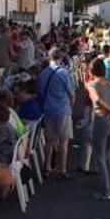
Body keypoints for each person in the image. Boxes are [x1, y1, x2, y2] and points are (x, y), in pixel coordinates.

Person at [37, 48, 75, 180]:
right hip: (62, 109)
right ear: (60, 58)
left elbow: (41, 92)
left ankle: (47, 167)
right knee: (64, 142)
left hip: (48, 110)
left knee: (49, 141)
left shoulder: (43, 74)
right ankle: (62, 169)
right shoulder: (64, 73)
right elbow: (71, 94)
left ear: (49, 58)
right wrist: (71, 107)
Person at [87, 59, 110, 200]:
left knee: (99, 156)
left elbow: (96, 99)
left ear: (91, 71)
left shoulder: (93, 84)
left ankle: (105, 191)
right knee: (108, 156)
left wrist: (109, 109)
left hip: (101, 119)